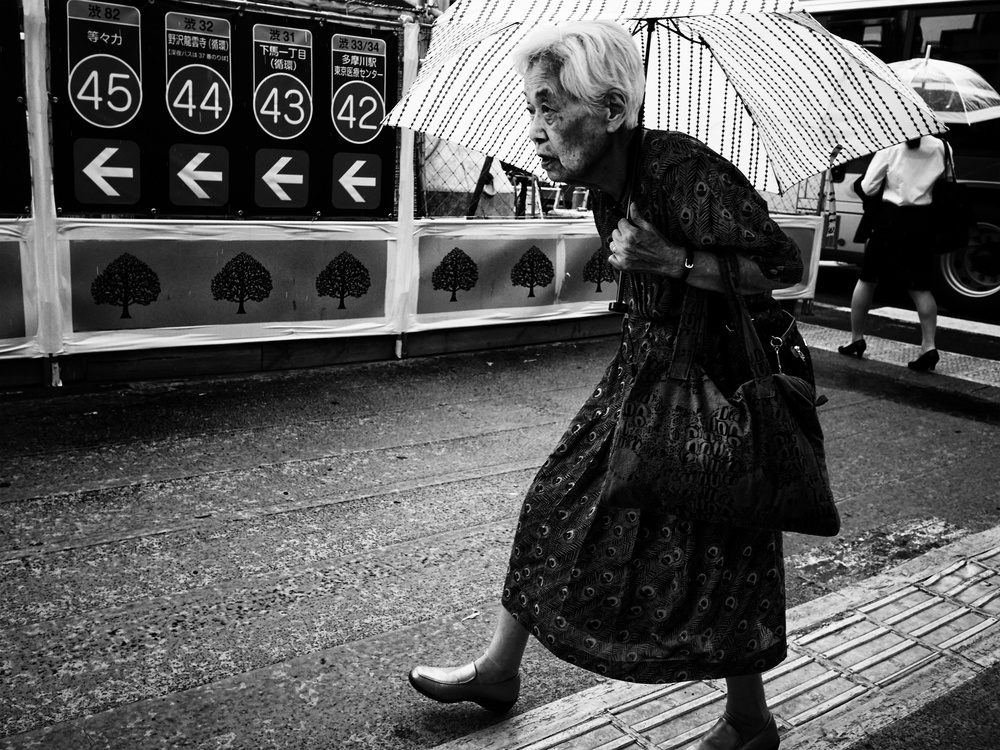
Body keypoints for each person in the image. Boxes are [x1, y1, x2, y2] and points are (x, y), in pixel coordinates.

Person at [408, 21, 804, 750]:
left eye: (550, 108)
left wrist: (675, 262)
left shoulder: (682, 171)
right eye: (532, 109)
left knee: (726, 548)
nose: (534, 130)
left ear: (614, 110)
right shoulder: (603, 183)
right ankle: (499, 670)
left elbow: (783, 270)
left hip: (714, 389)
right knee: (553, 502)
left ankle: (750, 723)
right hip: (640, 372)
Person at [838, 136, 947, 372]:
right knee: (920, 286)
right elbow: (945, 181)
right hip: (923, 222)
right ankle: (929, 346)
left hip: (890, 221)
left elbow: (868, 187)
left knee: (868, 279)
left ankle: (856, 339)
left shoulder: (890, 146)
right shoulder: (942, 147)